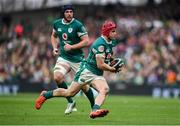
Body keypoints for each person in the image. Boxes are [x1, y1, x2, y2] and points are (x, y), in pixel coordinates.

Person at [35, 20, 124, 118]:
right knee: (69, 93)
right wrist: (112, 69)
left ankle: (94, 111)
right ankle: (45, 95)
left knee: (105, 89)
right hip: (87, 71)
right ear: (107, 32)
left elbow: (108, 55)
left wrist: (113, 60)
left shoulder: (111, 41)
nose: (115, 33)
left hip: (97, 74)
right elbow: (100, 65)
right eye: (113, 31)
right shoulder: (100, 44)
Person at [36, 5, 95, 114]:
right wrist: (54, 47)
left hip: (78, 60)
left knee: (84, 87)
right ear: (63, 13)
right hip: (64, 57)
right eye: (67, 11)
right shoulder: (57, 23)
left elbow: (86, 41)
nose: (69, 13)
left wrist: (72, 47)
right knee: (57, 77)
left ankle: (94, 107)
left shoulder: (78, 25)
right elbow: (53, 36)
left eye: (71, 12)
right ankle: (71, 102)